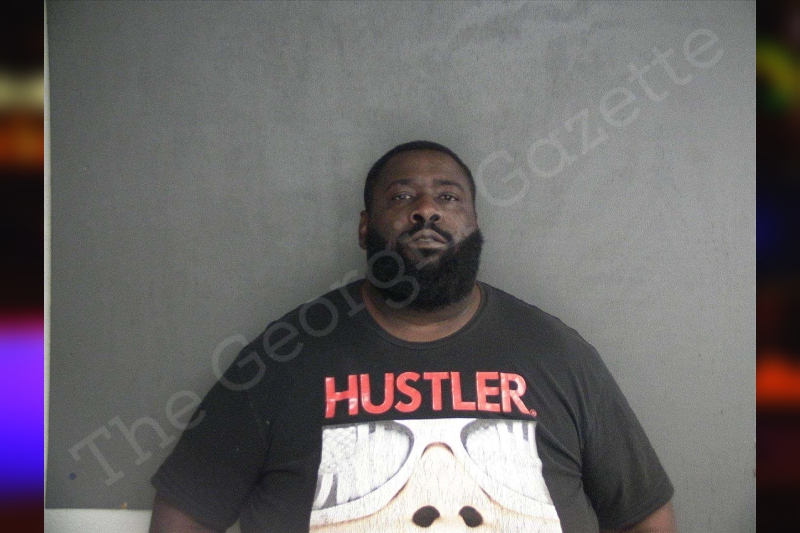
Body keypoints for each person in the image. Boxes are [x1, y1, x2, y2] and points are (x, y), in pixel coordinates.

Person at [149, 141, 677, 532]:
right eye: (402, 196)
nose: (427, 209)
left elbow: (645, 518)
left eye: (448, 196)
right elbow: (183, 516)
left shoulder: (559, 355)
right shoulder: (283, 356)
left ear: (475, 223)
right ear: (365, 228)